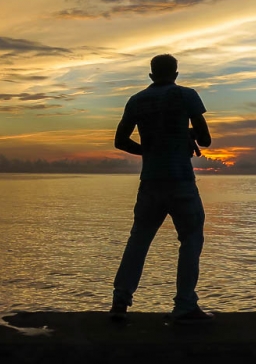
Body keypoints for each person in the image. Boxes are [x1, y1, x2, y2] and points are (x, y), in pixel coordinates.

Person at [110, 54, 213, 324]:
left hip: (151, 181)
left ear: (151, 75)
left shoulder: (136, 100)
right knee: (191, 239)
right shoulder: (187, 95)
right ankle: (185, 305)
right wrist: (187, 135)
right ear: (176, 74)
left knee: (139, 239)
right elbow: (206, 139)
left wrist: (148, 150)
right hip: (180, 181)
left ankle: (120, 300)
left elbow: (120, 141)